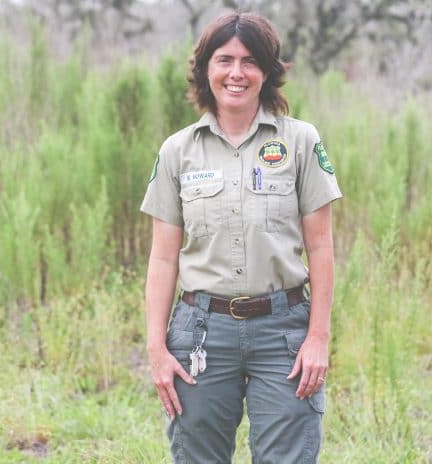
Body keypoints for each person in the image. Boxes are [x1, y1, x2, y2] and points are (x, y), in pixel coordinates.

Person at [140, 11, 342, 463]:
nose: (236, 73)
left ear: (267, 71)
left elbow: (322, 246)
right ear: (205, 68)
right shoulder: (178, 151)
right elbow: (163, 260)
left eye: (250, 61)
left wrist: (318, 338)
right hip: (201, 335)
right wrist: (156, 348)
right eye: (224, 59)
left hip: (284, 333)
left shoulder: (300, 142)